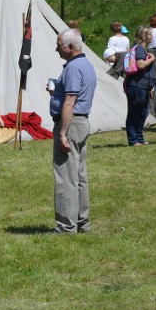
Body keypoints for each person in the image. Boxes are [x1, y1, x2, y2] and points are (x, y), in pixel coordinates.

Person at [48, 28, 96, 234]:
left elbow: (70, 102)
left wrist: (62, 133)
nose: (56, 48)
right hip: (80, 122)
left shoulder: (74, 68)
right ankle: (81, 222)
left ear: (70, 47)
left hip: (71, 124)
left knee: (66, 176)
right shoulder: (86, 65)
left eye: (59, 45)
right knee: (79, 175)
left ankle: (66, 226)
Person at [124, 26, 156, 146]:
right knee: (134, 113)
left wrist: (150, 86)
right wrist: (152, 58)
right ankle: (133, 140)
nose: (152, 36)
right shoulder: (140, 49)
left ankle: (139, 138)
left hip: (143, 86)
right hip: (136, 86)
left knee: (143, 113)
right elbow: (141, 65)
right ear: (144, 36)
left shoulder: (142, 49)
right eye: (150, 34)